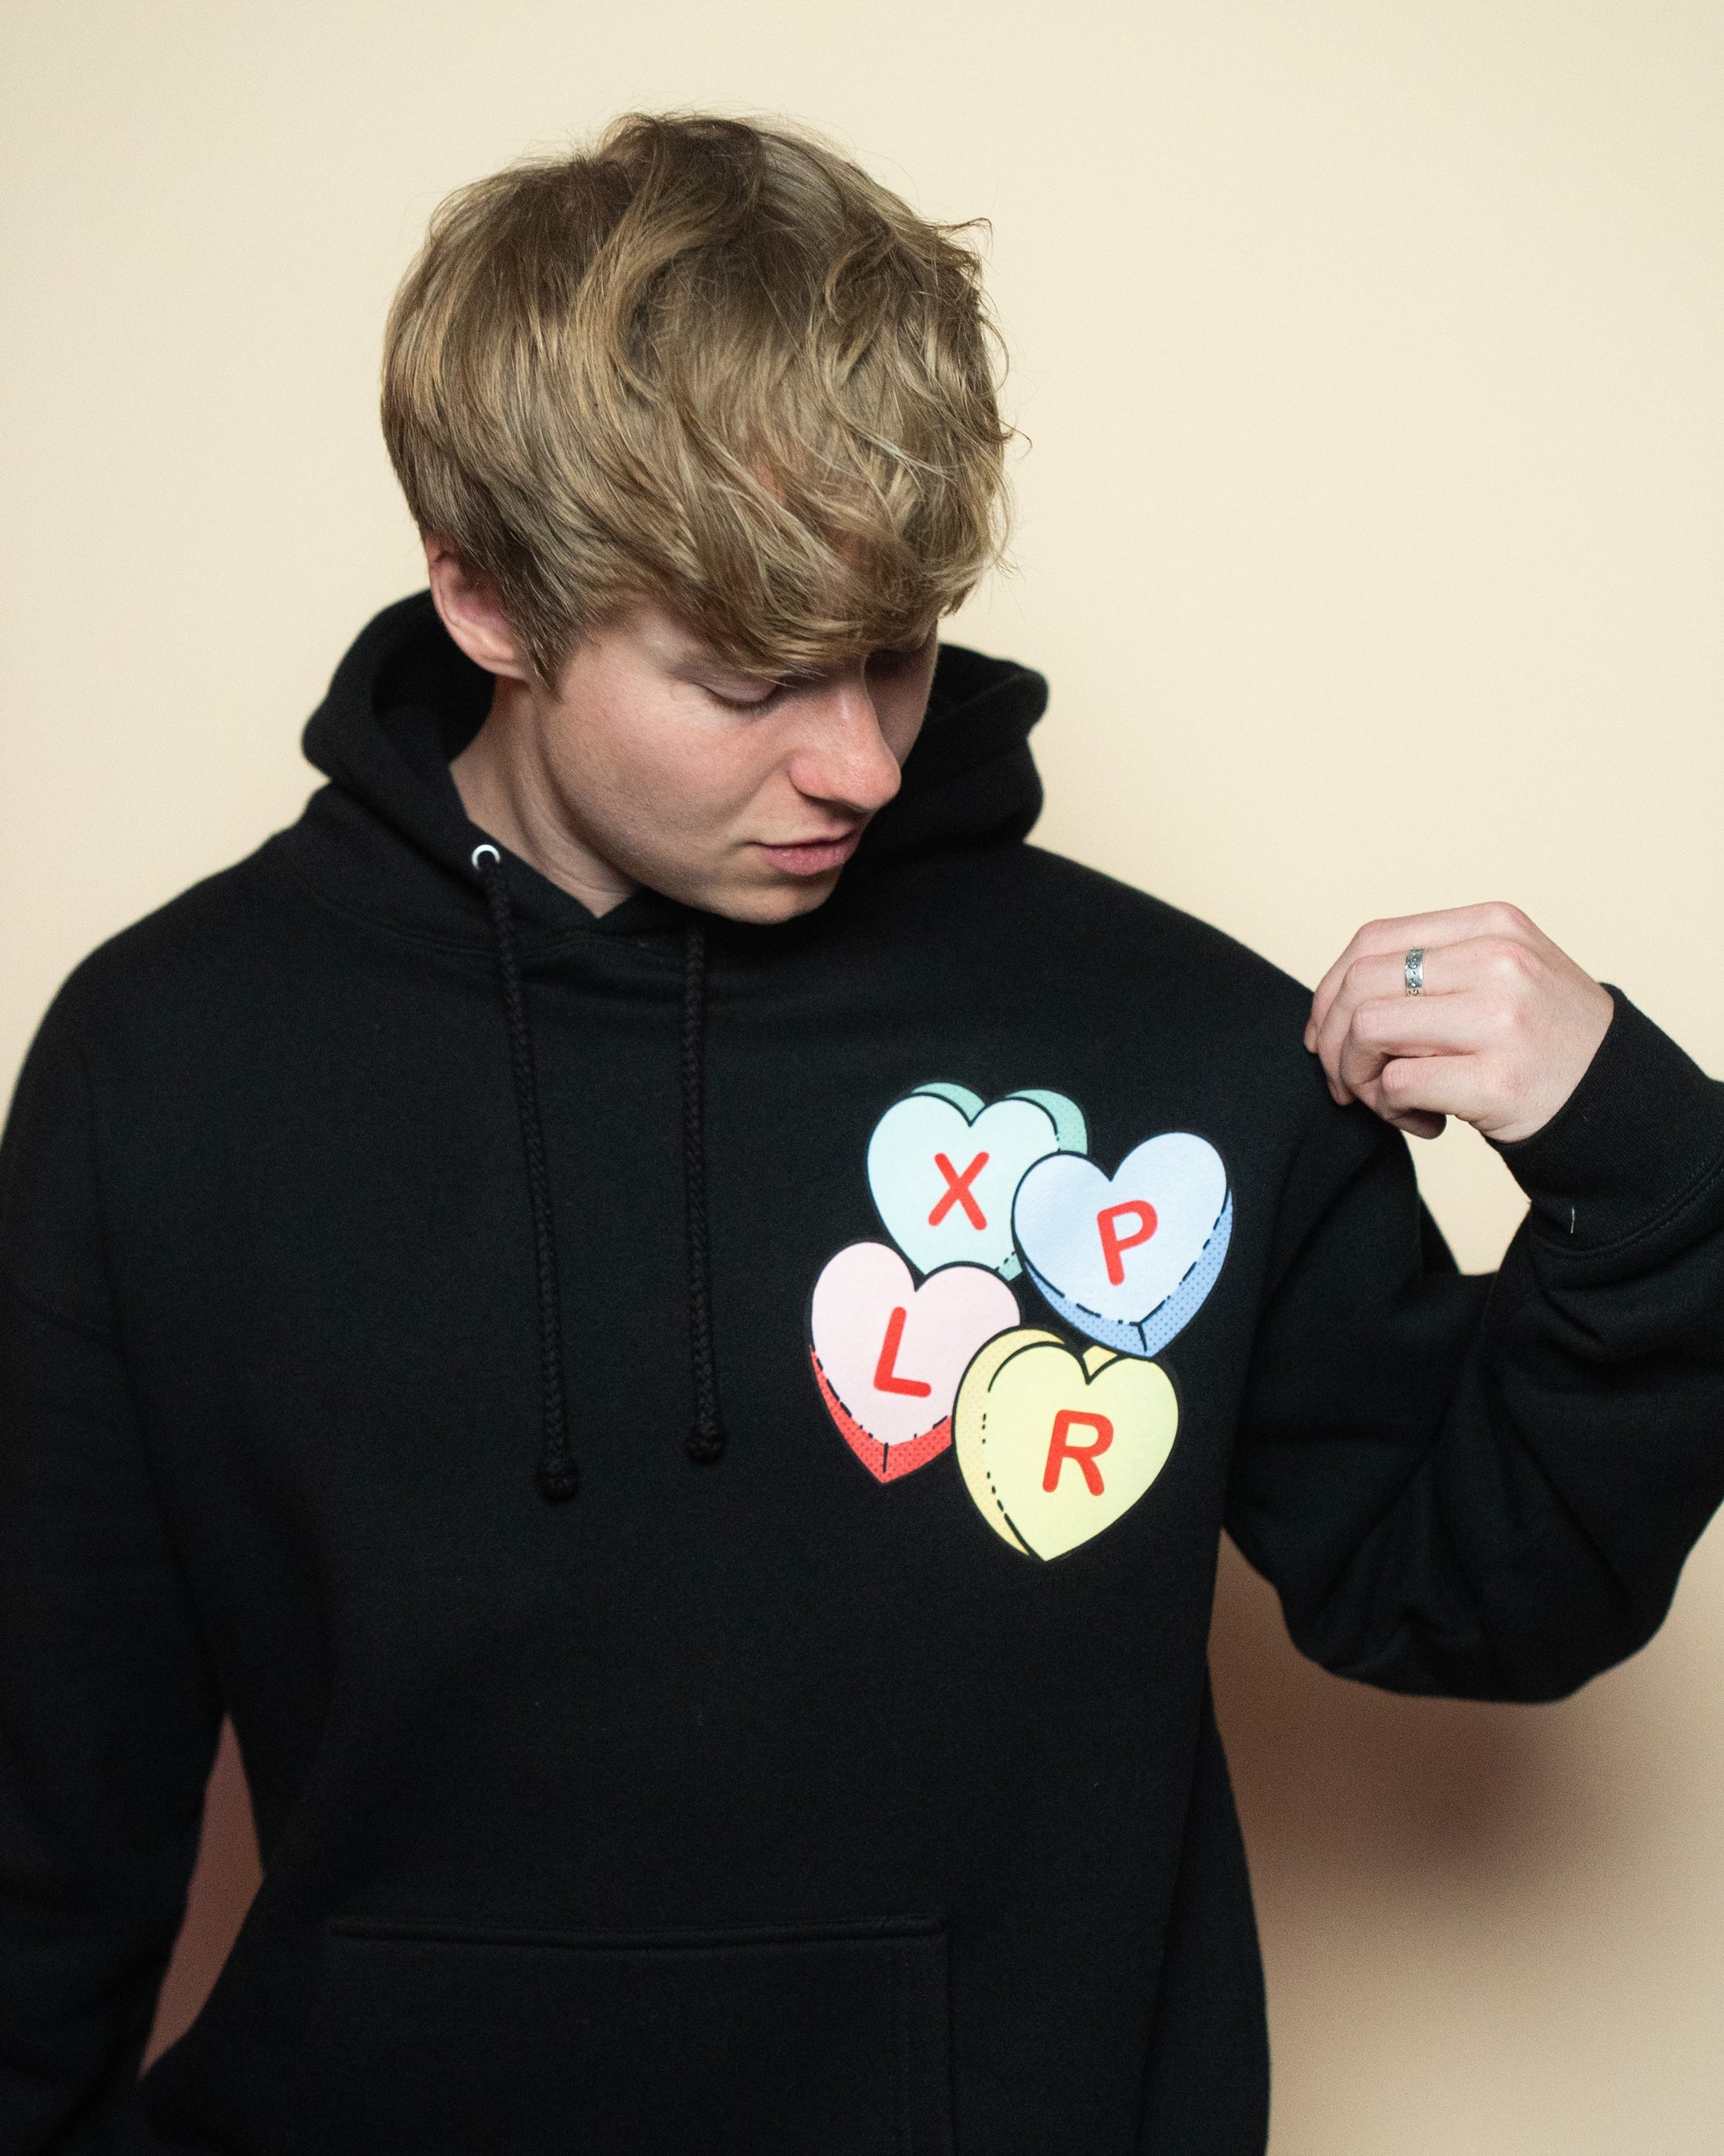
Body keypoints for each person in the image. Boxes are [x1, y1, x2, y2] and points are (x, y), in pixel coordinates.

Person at [1, 109, 1720, 2156]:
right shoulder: (169, 1061)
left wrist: (1641, 1159)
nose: (861, 761)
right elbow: (47, 1820)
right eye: (748, 680)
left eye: (894, 652)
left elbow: (1483, 1596)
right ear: (486, 600)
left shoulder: (1160, 1044)